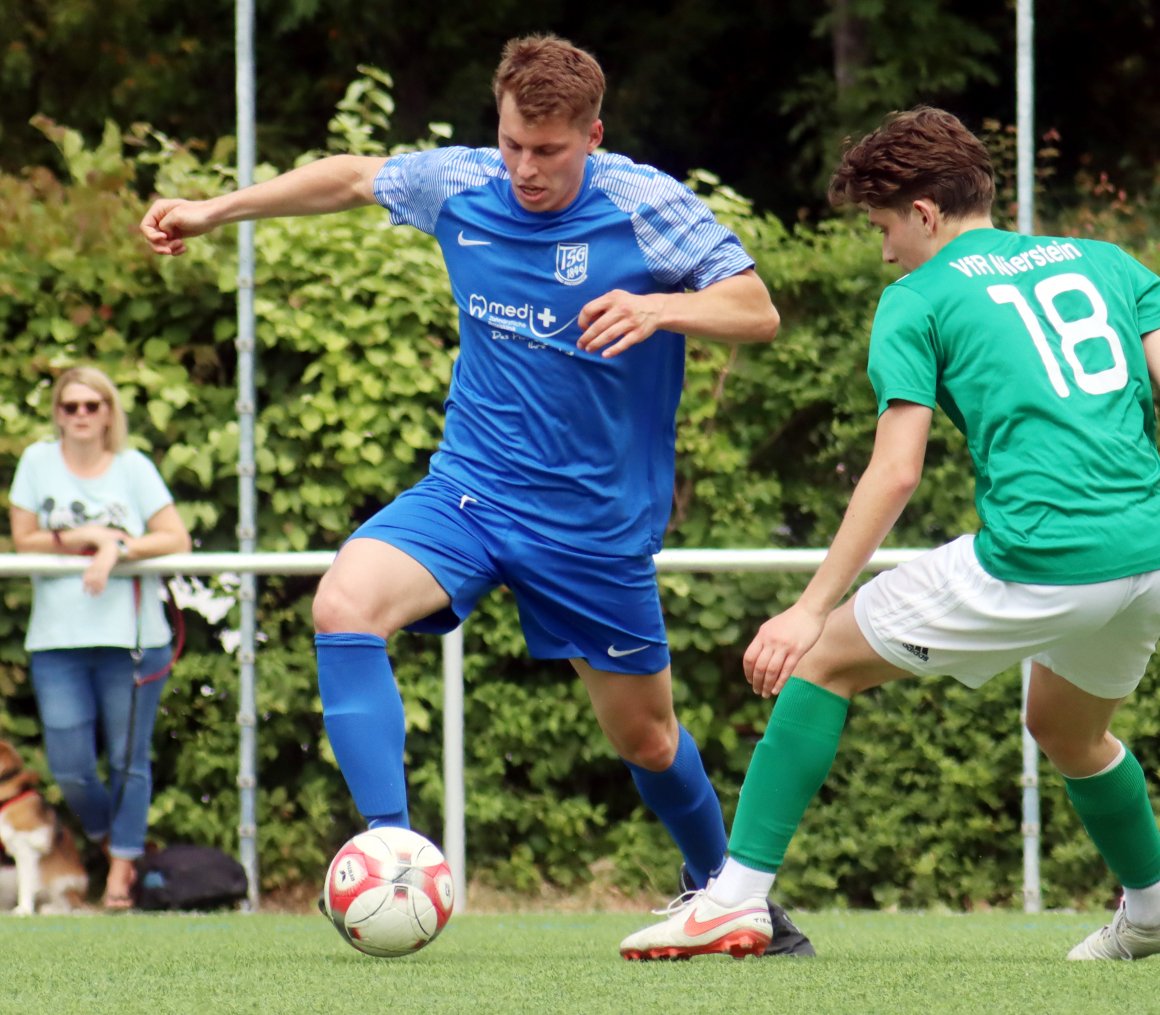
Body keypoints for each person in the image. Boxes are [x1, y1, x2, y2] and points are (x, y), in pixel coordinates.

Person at [139, 34, 814, 953]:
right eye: (512, 146)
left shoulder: (644, 204)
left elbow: (757, 307)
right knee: (343, 602)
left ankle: (728, 896)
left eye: (549, 151)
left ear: (593, 134)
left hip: (593, 526)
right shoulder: (462, 182)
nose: (526, 169)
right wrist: (213, 212)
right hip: (471, 490)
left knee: (647, 739)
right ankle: (391, 851)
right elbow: (348, 177)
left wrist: (660, 307)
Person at [619, 105, 1160, 961]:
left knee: (824, 656)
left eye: (881, 227)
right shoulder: (1107, 262)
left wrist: (806, 609)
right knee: (1066, 727)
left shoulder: (917, 297)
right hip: (1149, 554)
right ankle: (1154, 908)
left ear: (927, 213)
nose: (882, 250)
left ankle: (732, 898)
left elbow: (896, 470)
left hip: (1044, 556)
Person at [9, 365, 192, 909]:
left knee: (130, 758)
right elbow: (24, 540)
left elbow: (175, 536)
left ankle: (119, 873)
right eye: (71, 406)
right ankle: (116, 843)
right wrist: (87, 535)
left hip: (131, 638)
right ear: (58, 414)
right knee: (69, 766)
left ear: (109, 412)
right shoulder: (37, 463)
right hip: (57, 641)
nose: (82, 416)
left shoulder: (134, 468)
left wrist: (119, 548)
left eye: (93, 405)